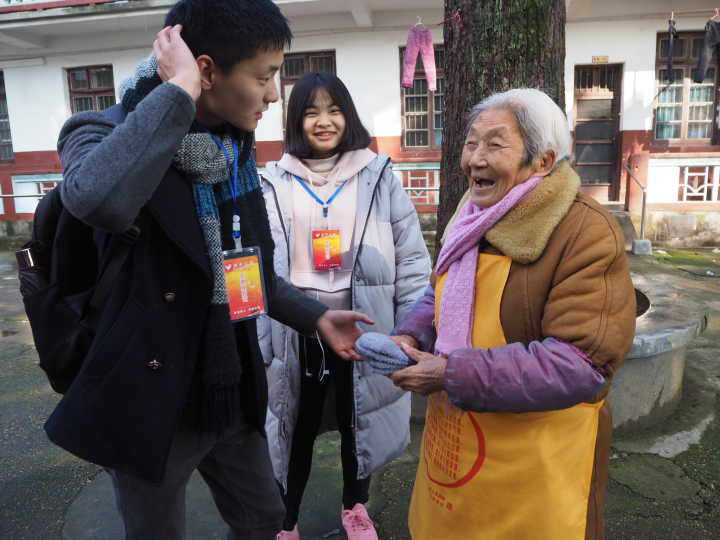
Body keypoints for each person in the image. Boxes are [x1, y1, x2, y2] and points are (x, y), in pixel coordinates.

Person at [47, 1, 373, 538]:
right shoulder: (102, 130)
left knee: (263, 517)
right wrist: (178, 91)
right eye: (264, 77)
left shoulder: (231, 152)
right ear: (205, 70)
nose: (274, 95)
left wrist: (315, 317)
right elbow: (98, 201)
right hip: (149, 394)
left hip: (226, 384)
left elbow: (248, 272)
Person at [390, 88, 636, 540]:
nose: (475, 160)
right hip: (458, 448)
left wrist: (451, 373)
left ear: (543, 161)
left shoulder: (582, 230)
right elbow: (442, 287)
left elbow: (580, 364)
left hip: (536, 465)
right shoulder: (472, 211)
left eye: (495, 145)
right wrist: (411, 333)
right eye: (471, 143)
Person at [259, 72, 431, 539]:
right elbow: (258, 269)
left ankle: (355, 507)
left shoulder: (379, 177)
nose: (324, 121)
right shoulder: (273, 181)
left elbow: (412, 260)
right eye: (311, 112)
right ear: (295, 121)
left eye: (334, 110)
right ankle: (286, 519)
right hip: (298, 333)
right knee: (294, 427)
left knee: (360, 424)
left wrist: (409, 331)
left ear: (348, 117)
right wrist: (263, 340)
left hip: (366, 329)